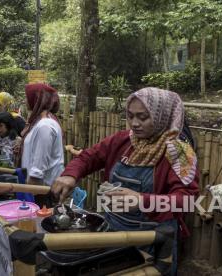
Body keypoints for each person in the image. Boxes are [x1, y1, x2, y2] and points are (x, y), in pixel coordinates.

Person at [51, 87, 199, 275]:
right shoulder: (123, 141)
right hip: (113, 232)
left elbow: (187, 202)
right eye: (130, 116)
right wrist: (70, 174)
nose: (134, 124)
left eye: (143, 117)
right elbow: (89, 157)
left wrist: (141, 201)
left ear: (162, 115)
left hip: (154, 238)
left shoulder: (179, 153)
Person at [19, 83, 64, 187]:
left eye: (27, 97)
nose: (25, 101)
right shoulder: (39, 122)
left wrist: (28, 192)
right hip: (36, 187)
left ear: (36, 99)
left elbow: (38, 170)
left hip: (41, 190)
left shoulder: (45, 126)